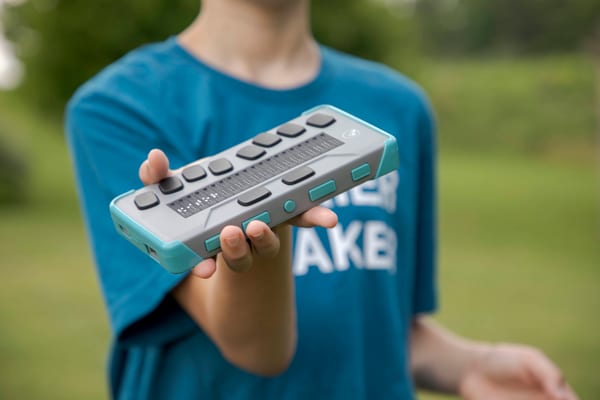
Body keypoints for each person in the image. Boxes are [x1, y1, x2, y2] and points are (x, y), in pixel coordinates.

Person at [66, 0, 578, 399]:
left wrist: (473, 365)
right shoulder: (118, 107)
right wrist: (270, 226)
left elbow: (386, 327)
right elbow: (256, 350)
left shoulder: (397, 108)